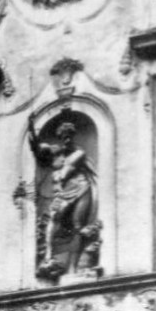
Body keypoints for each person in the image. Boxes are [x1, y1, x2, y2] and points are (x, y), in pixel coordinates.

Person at [27, 115, 99, 279]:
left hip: (80, 187)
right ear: (59, 137)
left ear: (72, 136)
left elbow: (69, 166)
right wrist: (31, 128)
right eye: (63, 136)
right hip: (62, 193)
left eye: (68, 136)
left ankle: (75, 267)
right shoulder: (55, 152)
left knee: (77, 224)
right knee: (54, 218)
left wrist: (60, 159)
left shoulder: (77, 154)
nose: (65, 139)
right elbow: (36, 147)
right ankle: (48, 257)